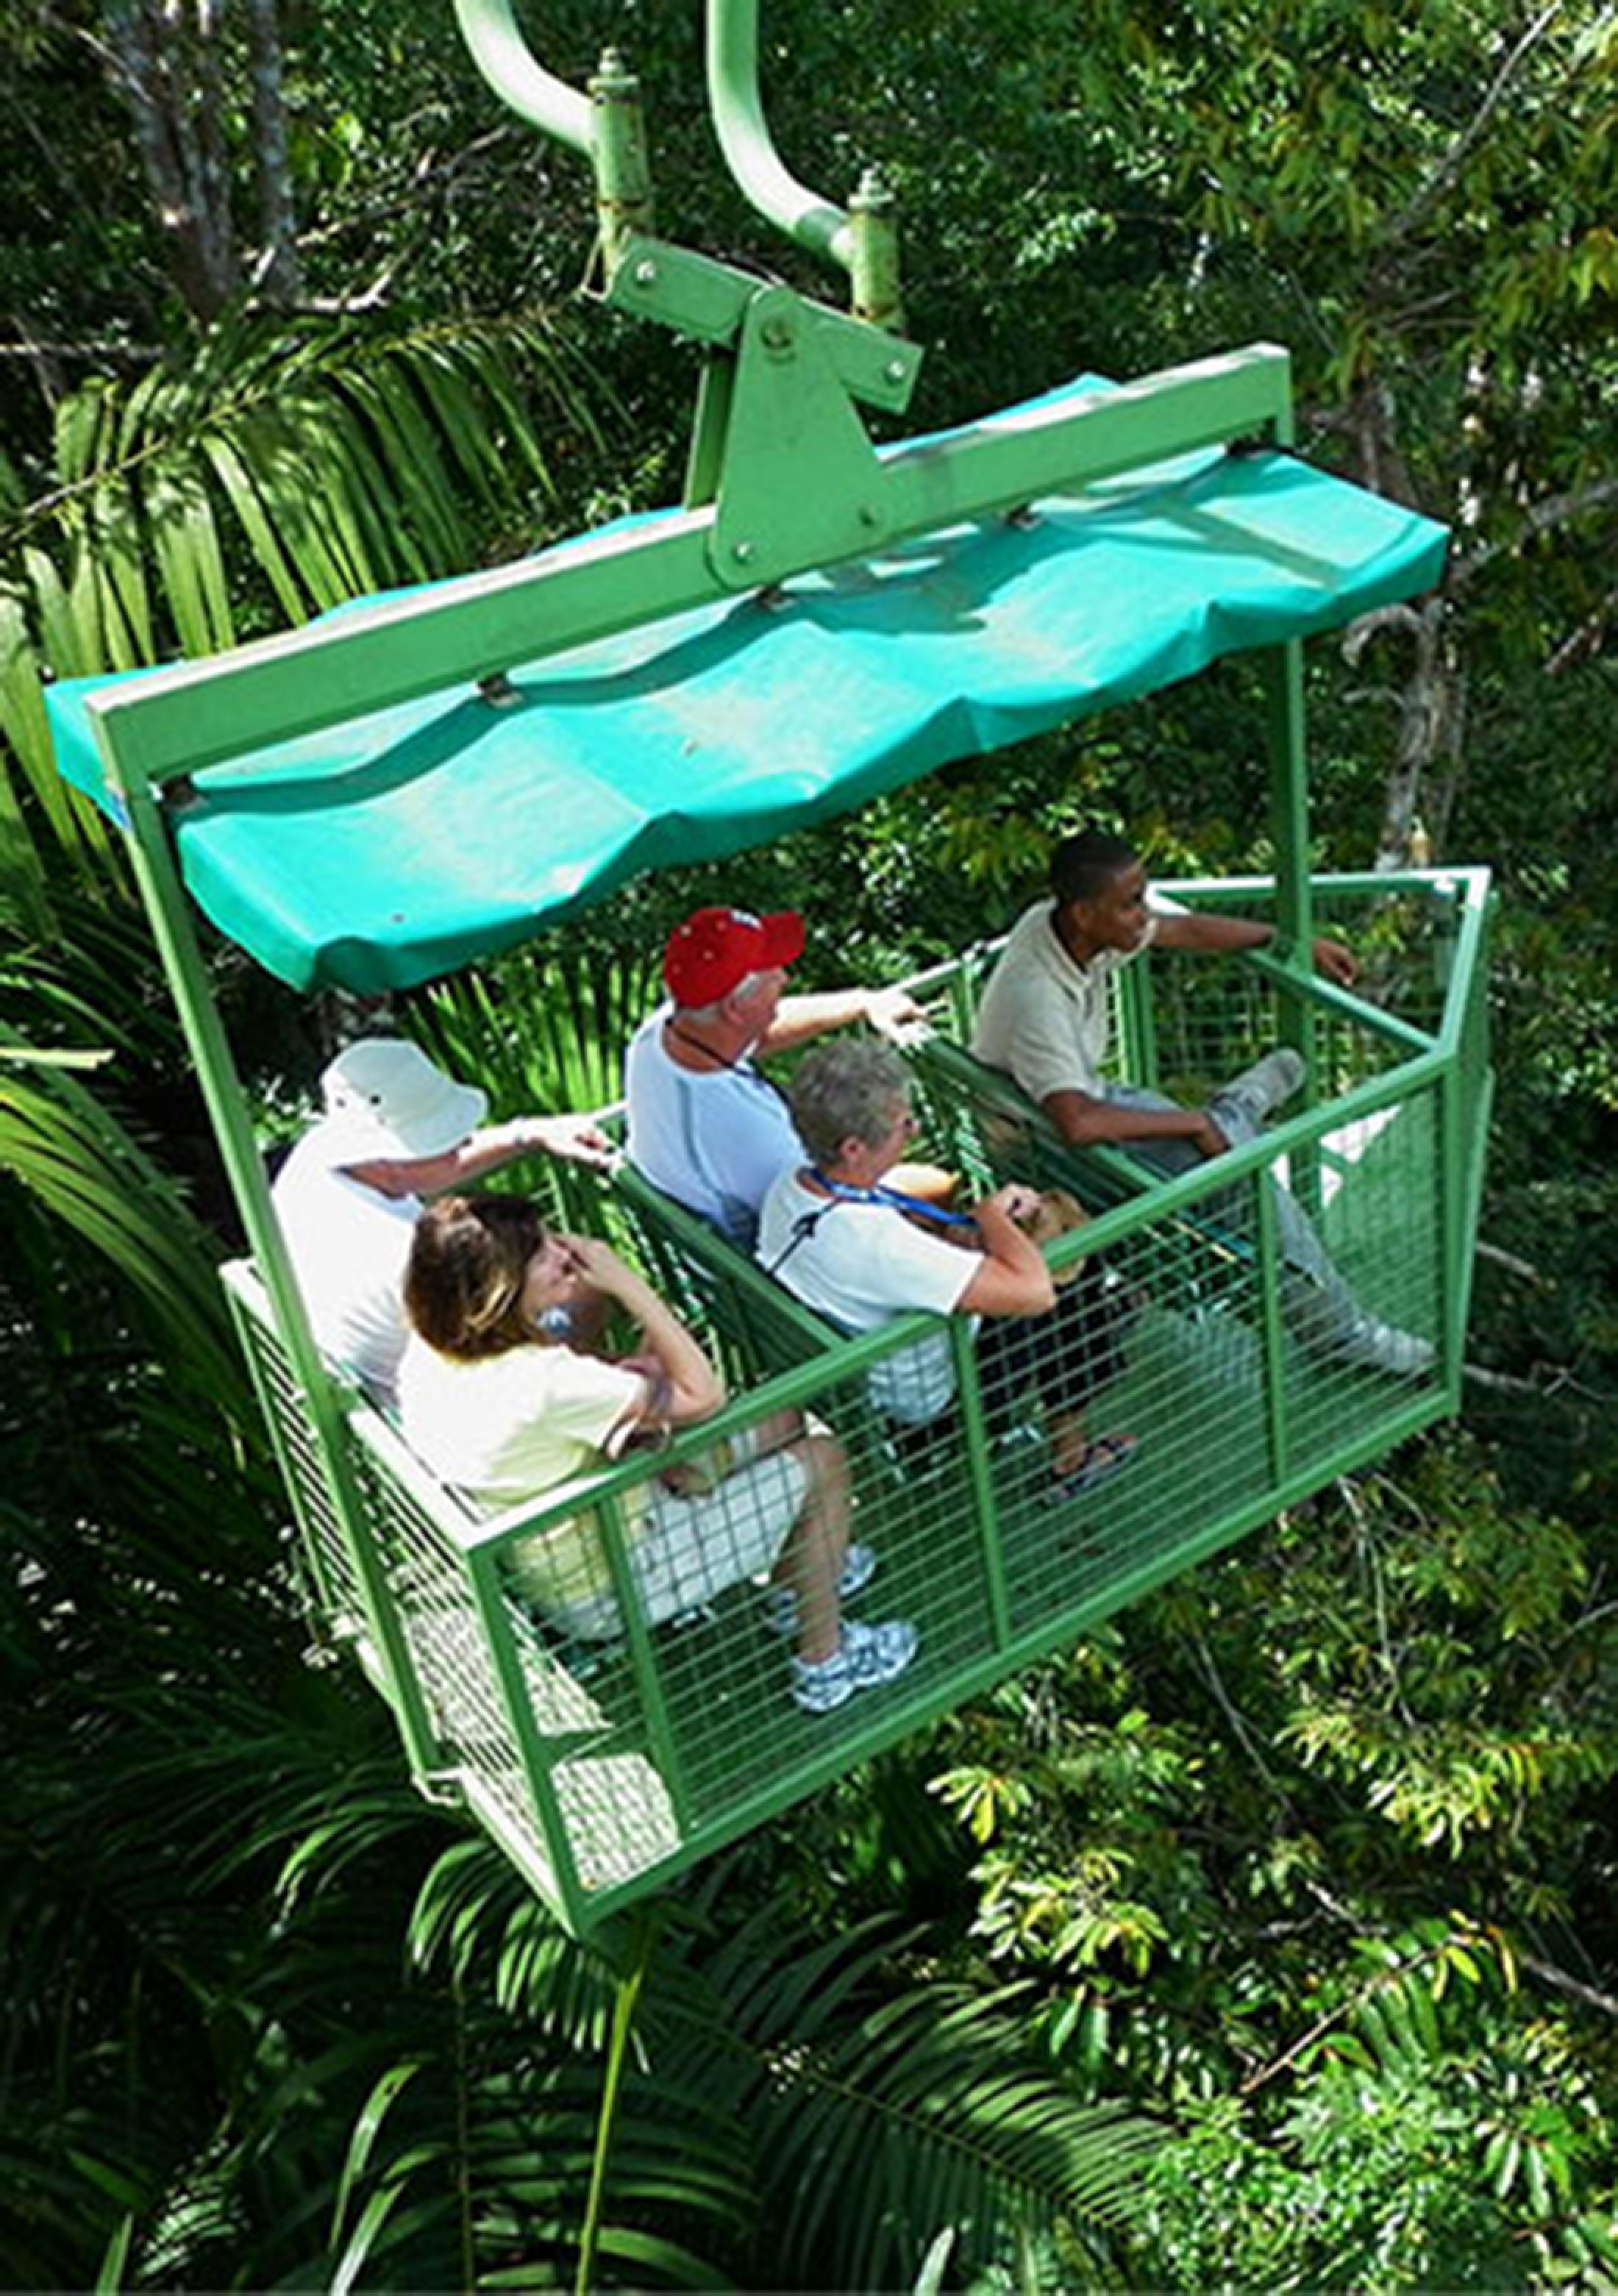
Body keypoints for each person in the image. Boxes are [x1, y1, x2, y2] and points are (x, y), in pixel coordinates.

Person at [398, 1193, 919, 1714]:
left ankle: (796, 1590)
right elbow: (705, 1396)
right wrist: (627, 1284)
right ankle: (825, 1665)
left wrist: (625, 1383)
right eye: (539, 1253)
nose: (562, 1252)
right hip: (614, 1578)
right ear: (499, 1288)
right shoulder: (544, 1383)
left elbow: (554, 1423)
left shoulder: (429, 1355)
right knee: (824, 1458)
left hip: (580, 1527)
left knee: (782, 1422)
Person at [971, 827, 1433, 1375]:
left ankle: (1232, 1111)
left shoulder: (1064, 927)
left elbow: (1182, 928)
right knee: (1246, 1173)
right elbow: (1076, 1122)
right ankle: (1343, 1332)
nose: (1143, 915)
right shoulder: (1039, 997)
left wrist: (1289, 940)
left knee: (1212, 1130)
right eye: (1129, 905)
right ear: (1082, 913)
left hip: (1060, 1106)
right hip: (1057, 1144)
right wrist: (1192, 1124)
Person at [756, 1041, 1138, 1500]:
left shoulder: (788, 1187)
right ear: (854, 1148)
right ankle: (1070, 1456)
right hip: (940, 1398)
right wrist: (992, 1217)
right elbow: (1034, 1292)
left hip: (865, 1376)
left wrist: (949, 1242)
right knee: (1074, 1273)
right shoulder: (878, 1244)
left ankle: (1107, 1323)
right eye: (903, 1126)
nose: (913, 1132)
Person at [271, 1036, 615, 1406]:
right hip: (419, 1401)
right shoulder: (406, 1254)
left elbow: (433, 1168)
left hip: (366, 1358)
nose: (461, 1147)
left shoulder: (316, 1156)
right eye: (440, 1141)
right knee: (581, 1298)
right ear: (384, 1158)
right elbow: (485, 1351)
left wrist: (526, 1135)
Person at [624, 904, 938, 1247]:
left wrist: (862, 1003)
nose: (785, 978)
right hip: (790, 1256)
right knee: (937, 1188)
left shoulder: (662, 1035)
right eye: (771, 972)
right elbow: (834, 1214)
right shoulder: (750, 1139)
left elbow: (756, 1031)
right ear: (735, 1009)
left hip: (732, 1239)